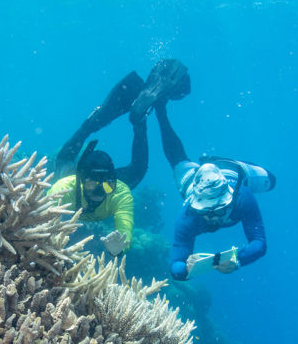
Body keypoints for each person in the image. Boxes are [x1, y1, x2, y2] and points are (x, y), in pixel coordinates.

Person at [49, 62, 192, 255]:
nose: (99, 191)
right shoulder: (65, 187)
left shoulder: (119, 192)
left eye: (107, 186)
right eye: (92, 185)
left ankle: (147, 111)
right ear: (80, 182)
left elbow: (125, 231)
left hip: (91, 180)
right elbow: (42, 219)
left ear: (114, 183)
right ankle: (141, 118)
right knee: (137, 169)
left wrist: (119, 246)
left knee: (135, 169)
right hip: (74, 176)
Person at [154, 90, 274, 280]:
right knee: (177, 161)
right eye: (204, 212)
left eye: (217, 211)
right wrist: (186, 268)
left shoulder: (243, 197)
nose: (210, 218)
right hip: (195, 179)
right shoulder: (187, 215)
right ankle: (160, 110)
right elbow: (175, 266)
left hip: (232, 171)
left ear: (230, 201)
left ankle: (217, 160)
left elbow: (260, 243)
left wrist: (238, 260)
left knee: (271, 180)